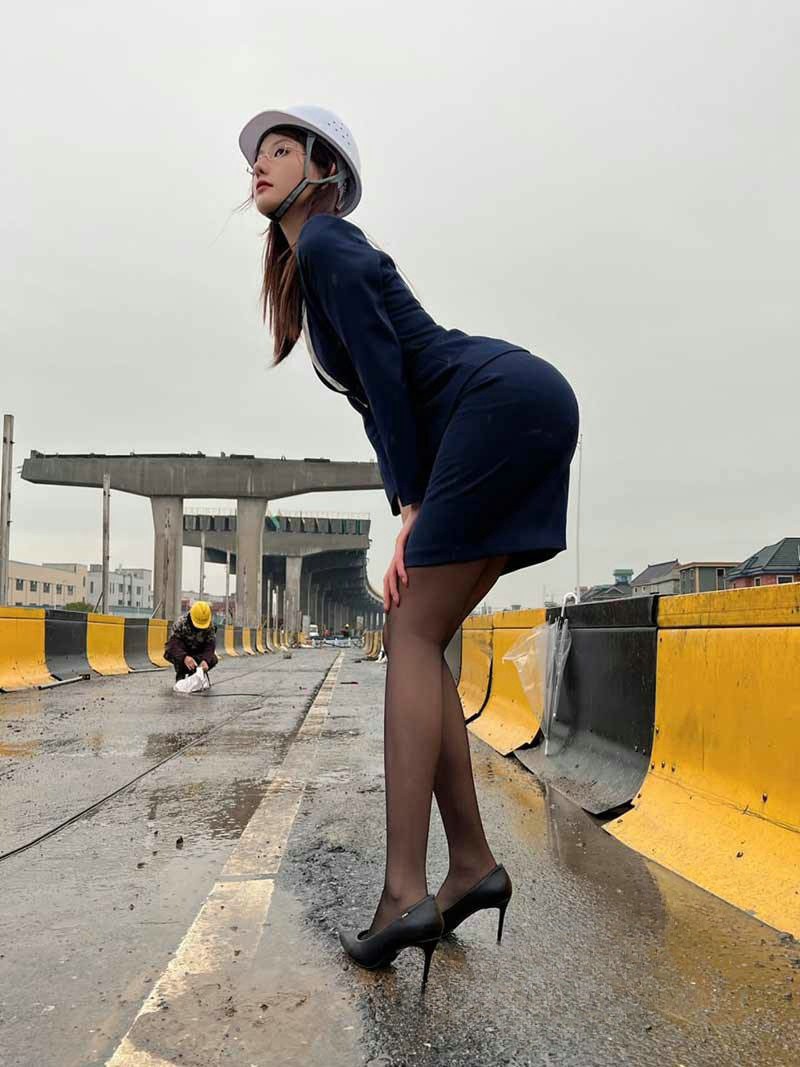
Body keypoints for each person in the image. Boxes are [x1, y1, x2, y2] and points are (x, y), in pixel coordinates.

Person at [237, 105, 580, 988]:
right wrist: (410, 507)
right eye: (257, 154)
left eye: (281, 149)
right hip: (507, 406)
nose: (260, 164)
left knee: (412, 635)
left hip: (495, 403)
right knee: (422, 636)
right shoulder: (314, 263)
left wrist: (415, 502)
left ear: (324, 169)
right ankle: (469, 863)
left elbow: (389, 375)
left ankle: (402, 892)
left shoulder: (327, 243)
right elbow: (378, 392)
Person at [164, 601, 218, 684]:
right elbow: (172, 645)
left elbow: (210, 645)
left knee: (213, 659)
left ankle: (197, 674)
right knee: (170, 653)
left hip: (198, 653)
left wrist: (205, 660)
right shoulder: (181, 623)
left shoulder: (210, 626)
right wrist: (184, 657)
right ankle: (181, 672)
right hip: (184, 652)